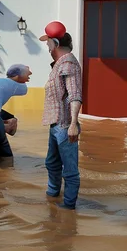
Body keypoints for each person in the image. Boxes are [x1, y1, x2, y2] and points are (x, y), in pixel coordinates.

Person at [39, 21, 82, 210]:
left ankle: (68, 208)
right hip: (55, 124)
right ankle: (52, 196)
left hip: (64, 125)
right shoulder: (58, 64)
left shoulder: (68, 63)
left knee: (70, 171)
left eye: (48, 43)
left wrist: (74, 123)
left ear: (55, 43)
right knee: (51, 162)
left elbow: (74, 94)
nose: (47, 47)